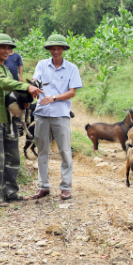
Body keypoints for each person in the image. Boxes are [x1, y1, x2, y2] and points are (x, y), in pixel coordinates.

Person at [0, 33, 40, 207]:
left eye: (9, 47)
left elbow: (9, 93)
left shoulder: (5, 68)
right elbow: (4, 84)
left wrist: (23, 102)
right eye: (3, 47)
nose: (7, 51)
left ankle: (10, 192)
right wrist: (26, 86)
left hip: (9, 118)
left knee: (12, 157)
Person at [31, 34, 83, 201]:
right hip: (42, 113)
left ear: (63, 50)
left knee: (65, 151)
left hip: (61, 114)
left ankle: (66, 188)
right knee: (42, 151)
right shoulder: (41, 65)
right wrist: (33, 86)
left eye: (58, 48)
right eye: (52, 48)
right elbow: (35, 81)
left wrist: (54, 97)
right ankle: (43, 186)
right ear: (49, 50)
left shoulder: (71, 68)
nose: (55, 51)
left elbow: (72, 92)